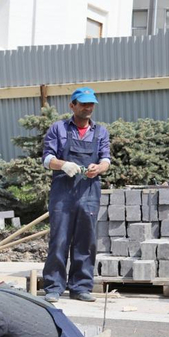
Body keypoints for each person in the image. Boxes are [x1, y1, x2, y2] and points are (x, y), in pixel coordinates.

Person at [41, 87, 111, 303]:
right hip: (63, 193)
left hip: (88, 192)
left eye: (91, 104)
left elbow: (106, 159)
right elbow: (46, 159)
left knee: (86, 241)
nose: (88, 108)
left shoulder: (100, 132)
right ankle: (53, 286)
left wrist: (98, 168)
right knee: (59, 239)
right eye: (83, 104)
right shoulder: (58, 129)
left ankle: (81, 287)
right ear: (72, 106)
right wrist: (63, 164)